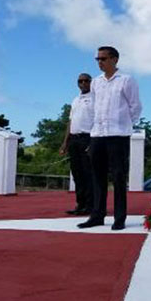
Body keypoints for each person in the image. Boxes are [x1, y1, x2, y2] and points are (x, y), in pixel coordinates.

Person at [77, 46, 142, 231]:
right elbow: (95, 107)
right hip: (98, 135)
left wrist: (124, 125)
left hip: (118, 136)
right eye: (97, 59)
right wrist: (92, 133)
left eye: (103, 59)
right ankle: (97, 215)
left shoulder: (126, 80)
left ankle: (119, 218)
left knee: (119, 177)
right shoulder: (96, 82)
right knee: (97, 177)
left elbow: (135, 107)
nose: (99, 62)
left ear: (114, 59)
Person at [59, 73, 94, 216]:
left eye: (86, 81)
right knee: (77, 174)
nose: (83, 83)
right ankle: (81, 204)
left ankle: (91, 206)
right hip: (74, 139)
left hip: (88, 138)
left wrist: (93, 142)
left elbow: (99, 120)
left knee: (88, 174)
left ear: (91, 82)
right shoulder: (75, 100)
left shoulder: (95, 99)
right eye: (80, 81)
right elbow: (71, 121)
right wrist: (65, 142)